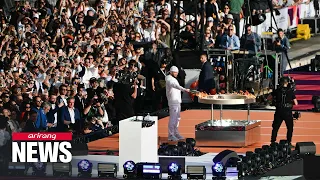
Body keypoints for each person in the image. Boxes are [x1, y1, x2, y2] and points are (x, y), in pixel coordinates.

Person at [268, 77, 298, 147]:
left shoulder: (277, 90)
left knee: (275, 127)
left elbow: (268, 97)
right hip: (287, 111)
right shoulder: (290, 91)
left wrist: (274, 101)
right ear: (287, 83)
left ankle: (273, 141)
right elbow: (296, 103)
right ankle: (288, 142)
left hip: (279, 111)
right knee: (290, 127)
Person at [166, 66, 190, 141]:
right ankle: (171, 135)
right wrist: (184, 89)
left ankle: (176, 132)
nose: (177, 74)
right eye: (175, 72)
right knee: (173, 119)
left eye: (177, 72)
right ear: (171, 72)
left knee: (177, 118)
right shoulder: (169, 79)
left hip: (177, 101)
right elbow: (175, 85)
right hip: (173, 102)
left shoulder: (173, 79)